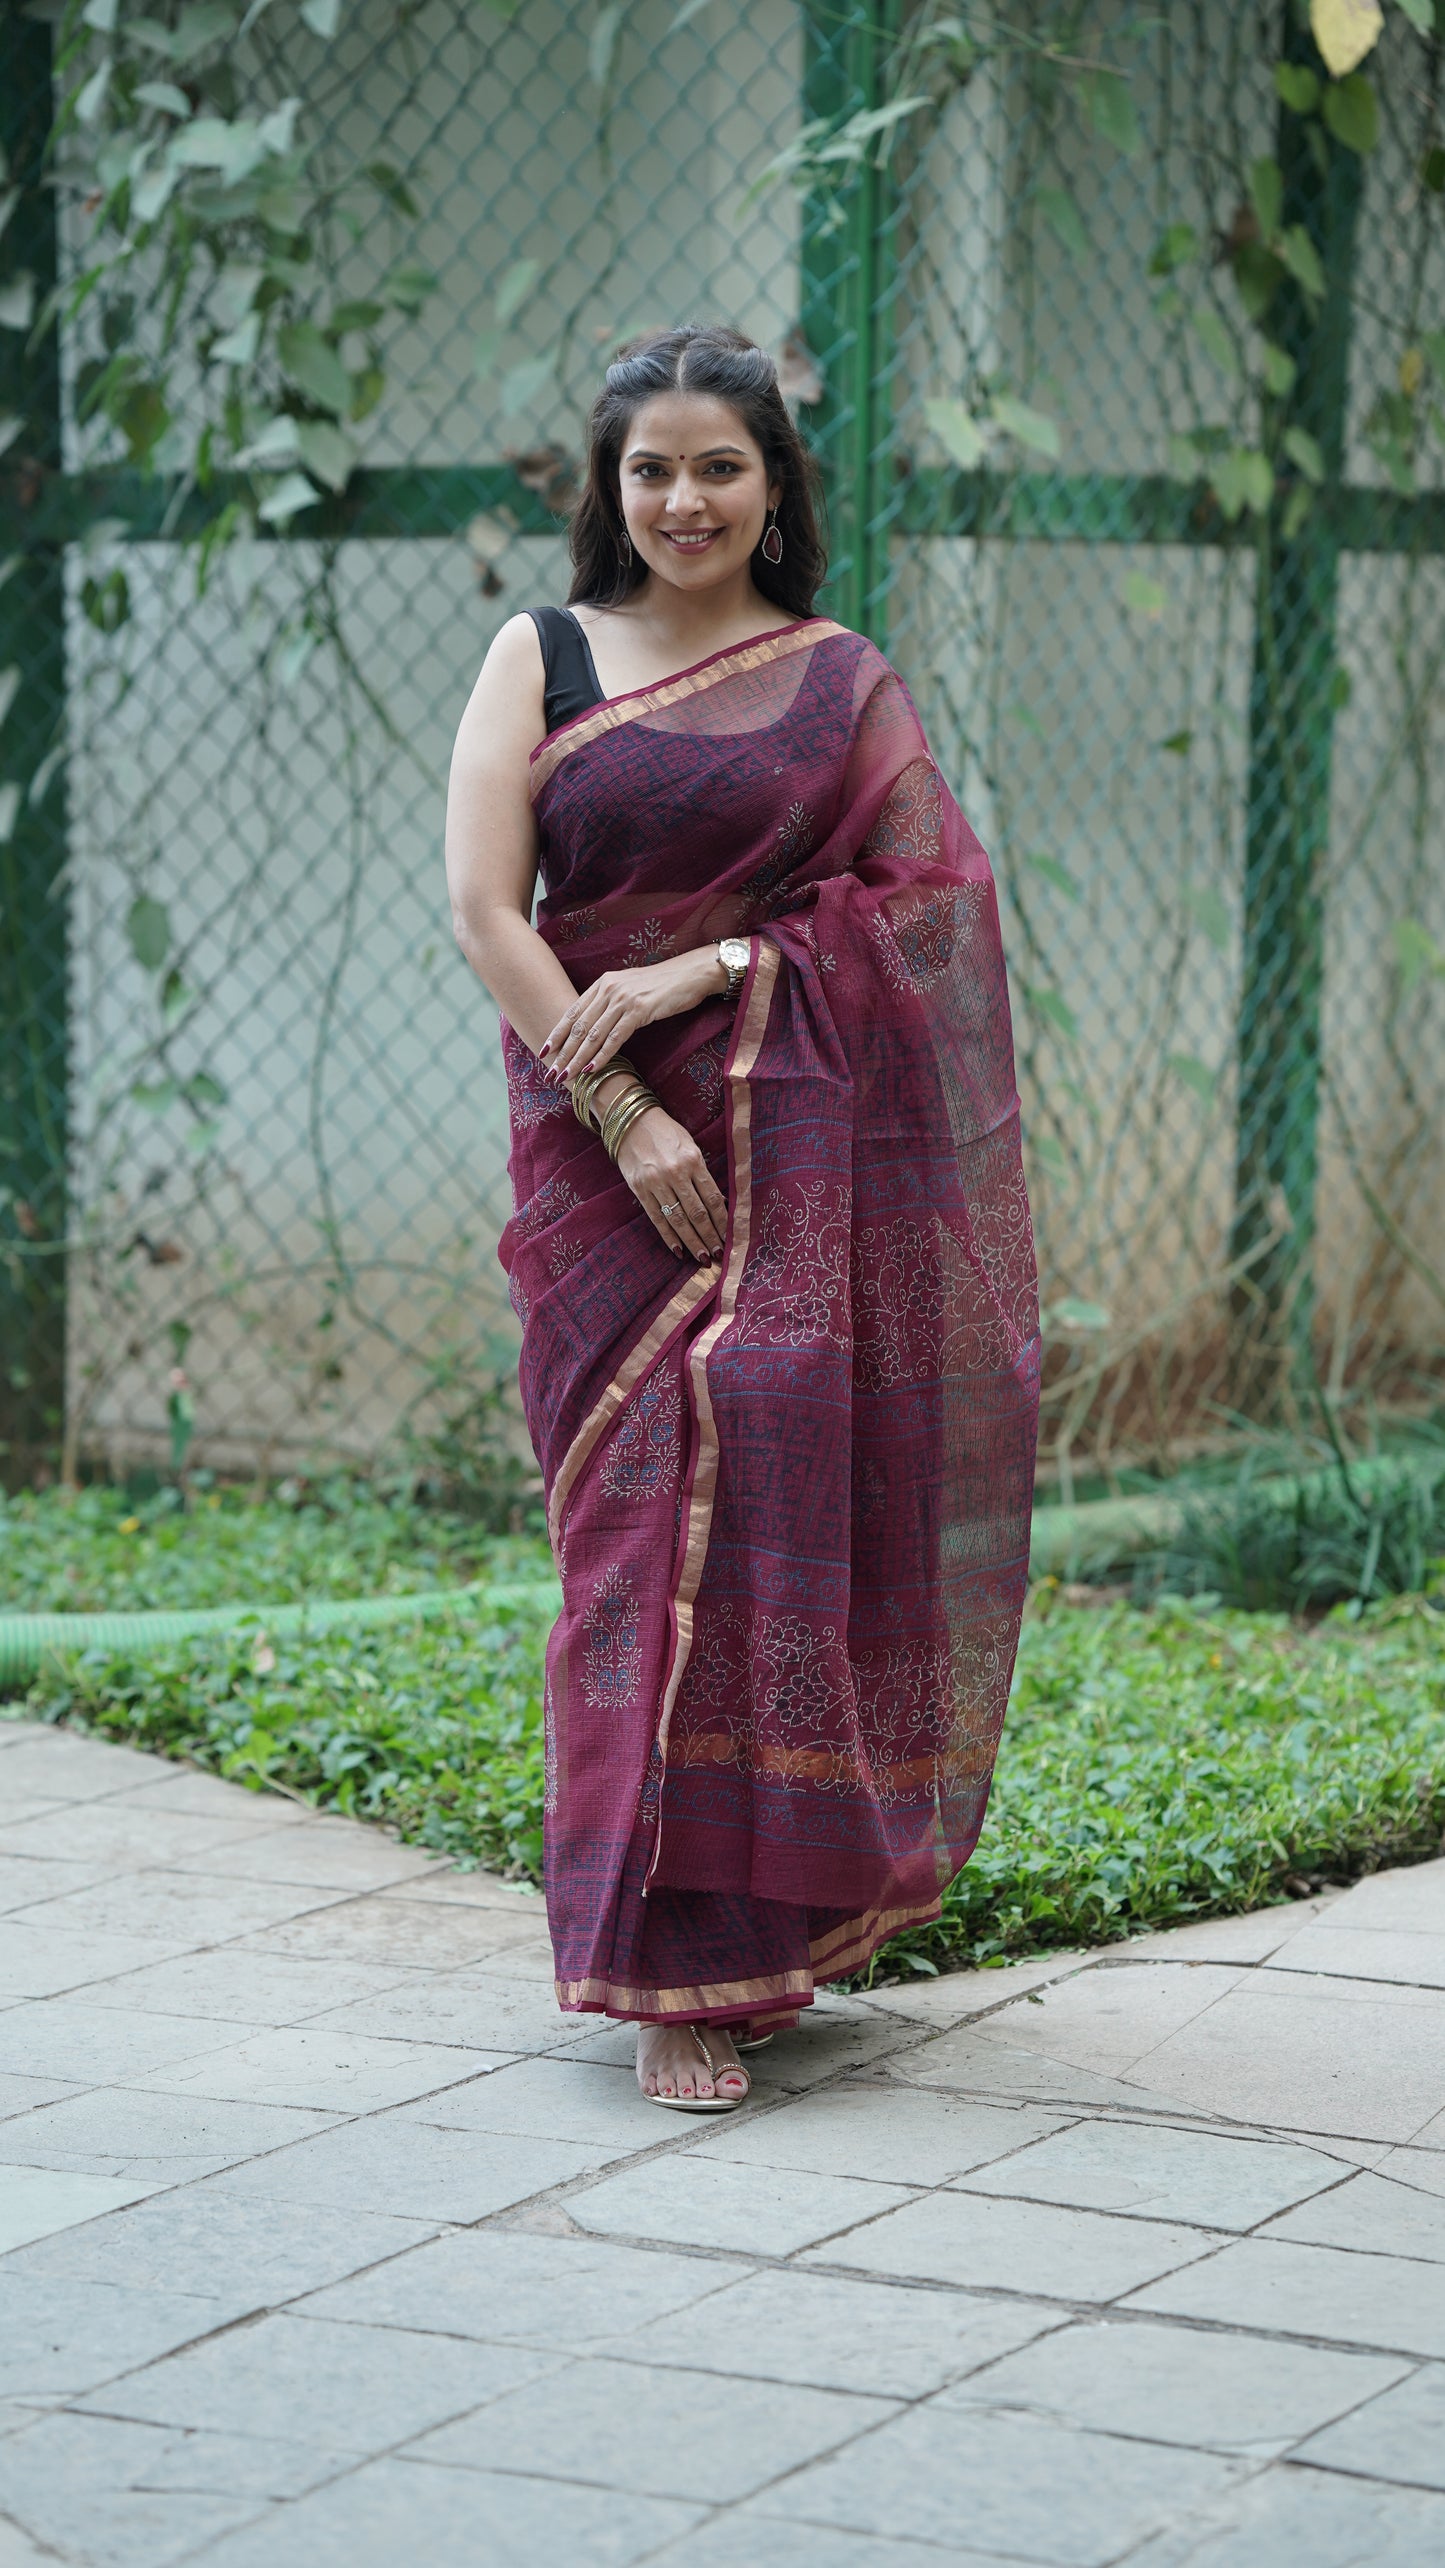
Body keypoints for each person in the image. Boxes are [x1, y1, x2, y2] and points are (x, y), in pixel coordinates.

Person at [446, 324, 1039, 2111]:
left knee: (781, 1459)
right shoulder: (540, 656)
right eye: (650, 468)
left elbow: (929, 900)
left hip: (807, 1146)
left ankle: (760, 1924)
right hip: (594, 1146)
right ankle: (660, 1972)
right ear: (605, 489)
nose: (683, 498)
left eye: (719, 465)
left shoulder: (836, 678)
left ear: (774, 485)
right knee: (631, 1529)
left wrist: (719, 962)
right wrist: (617, 1108)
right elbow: (486, 909)